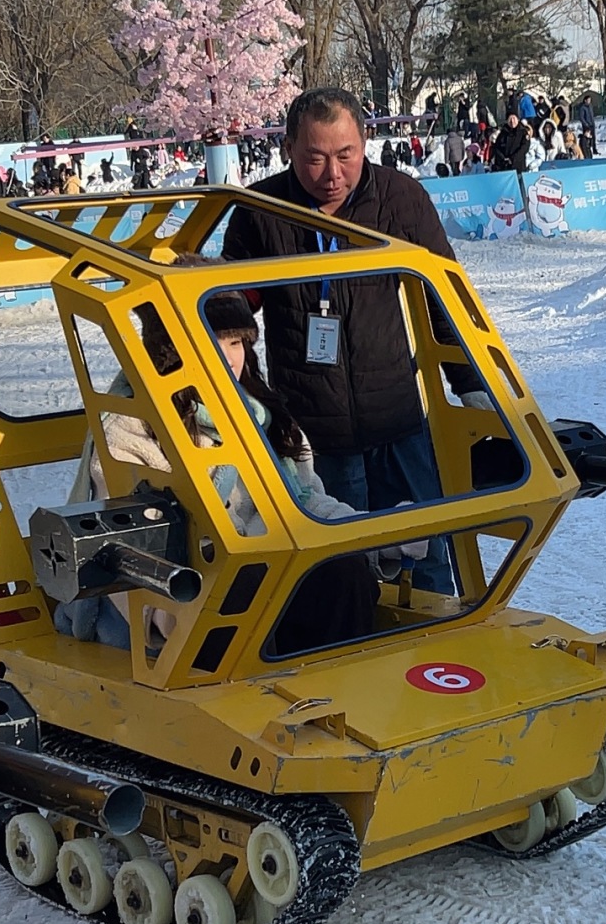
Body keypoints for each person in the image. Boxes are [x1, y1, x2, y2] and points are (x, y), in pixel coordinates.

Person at [220, 87, 489, 593]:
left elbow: (444, 296)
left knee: (426, 552)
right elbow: (233, 315)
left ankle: (441, 656)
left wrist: (470, 382)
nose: (332, 175)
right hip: (315, 432)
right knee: (343, 568)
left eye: (346, 155)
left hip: (397, 421)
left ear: (364, 143)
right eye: (315, 159)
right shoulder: (260, 211)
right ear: (288, 150)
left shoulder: (400, 197)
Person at [59, 268, 393, 655]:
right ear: (171, 350)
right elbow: (128, 547)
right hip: (177, 598)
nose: (228, 356)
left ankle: (340, 689)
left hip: (262, 572)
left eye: (235, 341)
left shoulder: (261, 415)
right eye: (209, 341)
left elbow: (303, 503)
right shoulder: (129, 428)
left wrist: (368, 535)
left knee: (344, 574)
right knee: (238, 597)